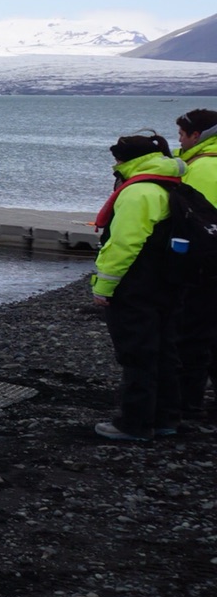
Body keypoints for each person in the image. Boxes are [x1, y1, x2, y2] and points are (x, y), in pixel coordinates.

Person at [90, 131, 187, 442]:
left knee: (137, 354)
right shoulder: (170, 183)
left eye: (117, 159)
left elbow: (124, 244)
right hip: (168, 281)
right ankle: (166, 419)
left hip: (137, 285)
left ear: (125, 159)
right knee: (164, 349)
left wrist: (103, 287)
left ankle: (134, 423)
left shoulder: (139, 192)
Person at [174, 109, 217, 423]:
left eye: (182, 134)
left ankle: (188, 405)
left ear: (196, 136)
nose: (179, 139)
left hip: (206, 267)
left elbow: (193, 221)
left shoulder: (200, 169)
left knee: (194, 336)